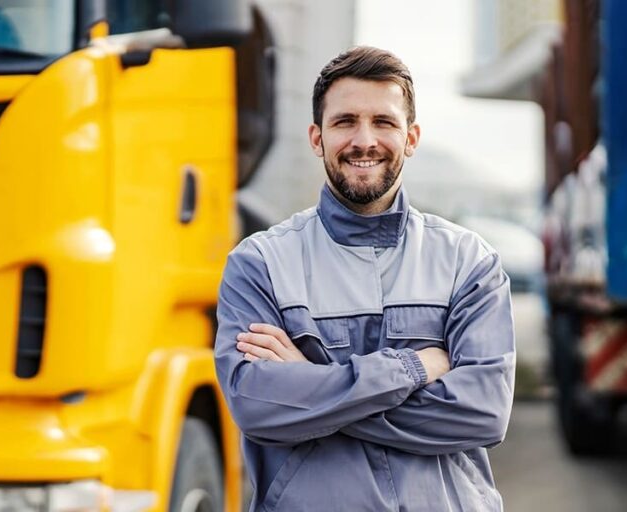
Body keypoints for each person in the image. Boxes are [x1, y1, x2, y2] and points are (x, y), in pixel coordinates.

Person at [214, 46, 515, 511]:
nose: (364, 139)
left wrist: (312, 385)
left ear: (411, 137)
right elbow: (258, 407)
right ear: (317, 137)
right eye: (345, 121)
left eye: (384, 122)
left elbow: (482, 415)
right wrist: (412, 370)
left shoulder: (468, 263)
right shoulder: (260, 264)